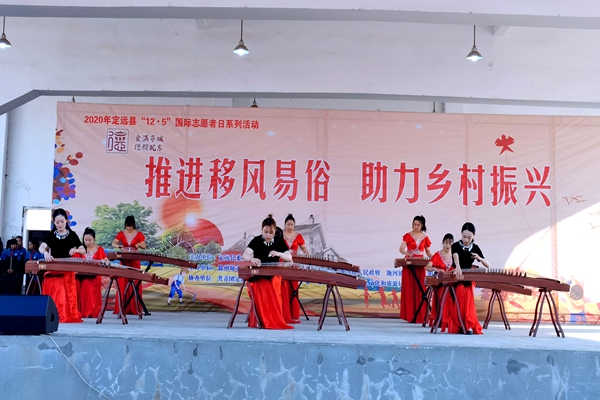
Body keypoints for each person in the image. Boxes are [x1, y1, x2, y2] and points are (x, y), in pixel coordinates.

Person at [242, 214, 293, 329]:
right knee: (255, 285)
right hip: (258, 275)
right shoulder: (256, 240)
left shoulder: (279, 241)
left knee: (272, 284)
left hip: (273, 274)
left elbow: (289, 258)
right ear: (262, 230)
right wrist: (252, 259)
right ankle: (262, 319)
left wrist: (278, 253)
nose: (268, 235)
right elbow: (245, 254)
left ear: (275, 231)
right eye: (265, 232)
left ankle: (271, 319)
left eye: (271, 233)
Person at [39, 208, 85, 323]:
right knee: (50, 282)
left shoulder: (72, 235)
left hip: (67, 269)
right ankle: (52, 313)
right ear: (54, 222)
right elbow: (41, 247)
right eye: (57, 222)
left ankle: (63, 314)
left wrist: (75, 250)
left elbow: (83, 250)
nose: (60, 224)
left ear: (66, 221)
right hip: (54, 268)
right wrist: (45, 252)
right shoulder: (52, 235)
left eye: (62, 221)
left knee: (63, 288)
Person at [450, 222, 490, 335]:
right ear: (461, 234)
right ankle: (460, 324)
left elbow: (487, 265)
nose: (466, 240)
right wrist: (458, 266)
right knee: (460, 291)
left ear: (473, 236)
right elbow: (455, 256)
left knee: (468, 295)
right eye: (464, 237)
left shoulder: (475, 248)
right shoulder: (455, 245)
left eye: (469, 237)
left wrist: (479, 258)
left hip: (468, 277)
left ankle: (468, 324)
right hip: (457, 275)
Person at [398, 215, 432, 323]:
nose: (415, 226)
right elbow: (401, 249)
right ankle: (410, 315)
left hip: (420, 265)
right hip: (409, 265)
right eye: (414, 224)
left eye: (418, 225)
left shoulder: (425, 237)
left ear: (422, 225)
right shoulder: (408, 235)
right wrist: (407, 253)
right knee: (409, 289)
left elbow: (428, 252)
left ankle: (420, 315)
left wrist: (434, 257)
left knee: (420, 288)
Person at [112, 215, 147, 315]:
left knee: (135, 282)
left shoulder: (139, 234)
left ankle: (134, 307)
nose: (128, 228)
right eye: (127, 226)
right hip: (124, 260)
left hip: (134, 261)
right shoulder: (121, 233)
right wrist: (119, 246)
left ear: (133, 225)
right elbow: (113, 243)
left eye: (130, 226)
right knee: (123, 281)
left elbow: (144, 245)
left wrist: (140, 244)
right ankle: (122, 307)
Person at [281, 214, 309, 323]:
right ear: (285, 224)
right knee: (283, 287)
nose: (290, 226)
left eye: (292, 224)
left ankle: (293, 314)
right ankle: (283, 313)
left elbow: (303, 247)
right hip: (283, 264)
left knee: (293, 288)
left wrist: (306, 252)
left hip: (294, 265)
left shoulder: (298, 236)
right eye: (288, 224)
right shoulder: (280, 234)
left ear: (294, 225)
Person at [73, 227, 107, 318]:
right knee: (75, 283)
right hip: (80, 275)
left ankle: (88, 312)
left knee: (86, 283)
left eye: (89, 240)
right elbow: (74, 260)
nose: (87, 242)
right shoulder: (80, 249)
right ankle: (76, 311)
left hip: (93, 276)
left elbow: (106, 260)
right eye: (85, 240)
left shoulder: (99, 249)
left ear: (94, 239)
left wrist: (103, 262)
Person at [425, 233, 455, 330]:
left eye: (450, 243)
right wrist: (436, 269)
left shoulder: (455, 255)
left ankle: (452, 321)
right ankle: (442, 320)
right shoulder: (438, 255)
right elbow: (427, 267)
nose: (448, 245)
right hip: (441, 284)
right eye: (446, 243)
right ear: (443, 243)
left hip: (452, 283)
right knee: (443, 292)